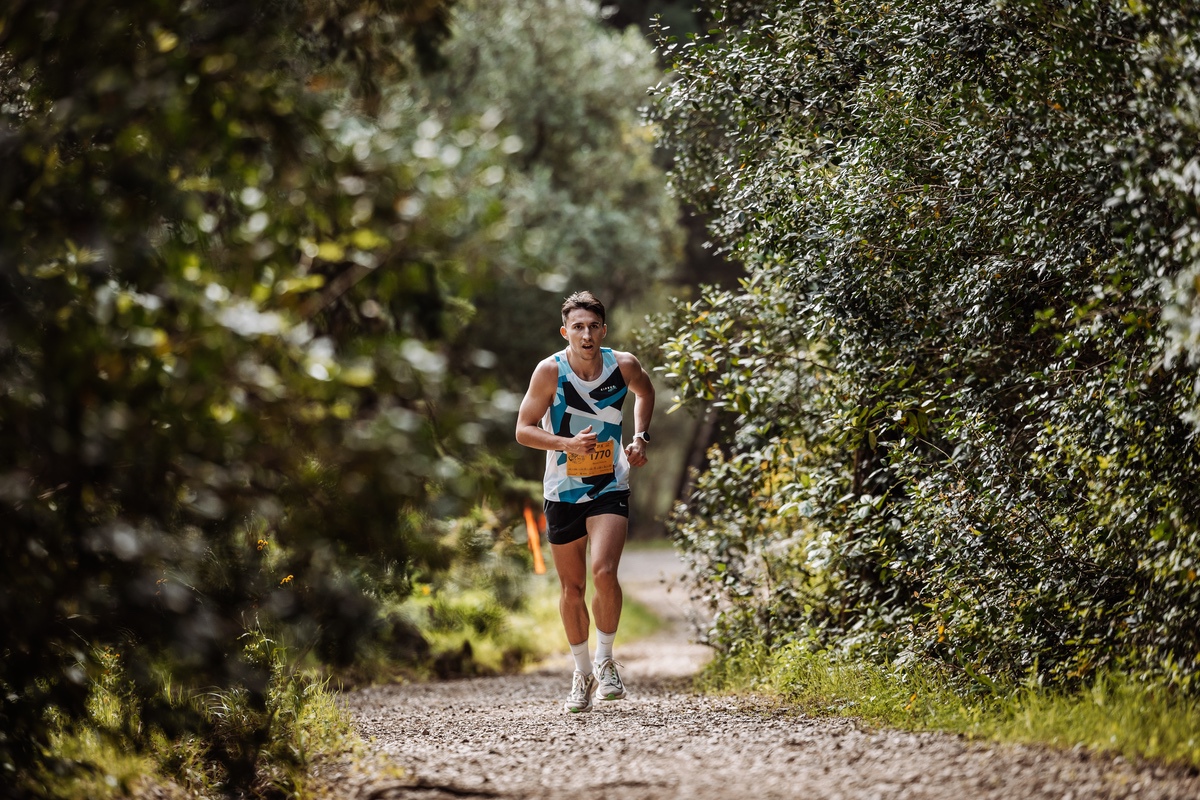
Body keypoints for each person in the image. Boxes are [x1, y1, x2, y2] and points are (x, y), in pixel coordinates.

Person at [515, 290, 655, 713]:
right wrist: (566, 444)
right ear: (565, 332)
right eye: (577, 327)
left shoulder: (623, 365)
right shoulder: (550, 372)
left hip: (610, 485)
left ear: (604, 330)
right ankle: (582, 673)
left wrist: (640, 437)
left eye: (593, 326)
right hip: (562, 491)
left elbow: (645, 393)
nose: (586, 334)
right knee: (572, 588)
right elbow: (523, 429)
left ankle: (605, 661)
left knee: (605, 572)